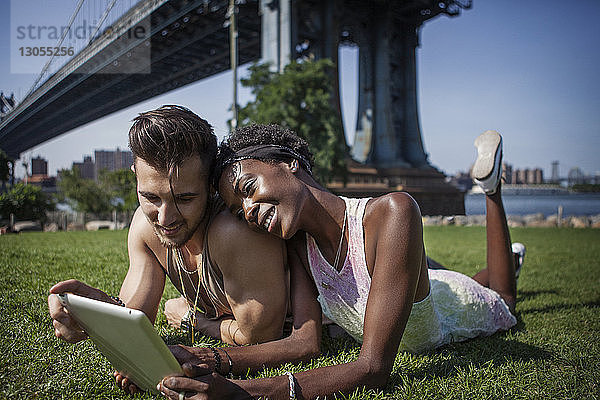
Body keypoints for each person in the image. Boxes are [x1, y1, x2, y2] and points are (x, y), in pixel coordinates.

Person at [157, 126, 526, 399]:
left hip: (448, 314)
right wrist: (209, 358)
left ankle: (491, 190)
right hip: (413, 287)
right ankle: (505, 258)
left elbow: (374, 368)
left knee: (503, 296)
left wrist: (242, 392)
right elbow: (304, 343)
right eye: (240, 212)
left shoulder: (393, 212)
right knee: (450, 278)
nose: (249, 212)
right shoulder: (298, 243)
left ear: (289, 164)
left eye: (248, 189)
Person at [47, 106, 290, 394]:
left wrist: (194, 320)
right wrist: (93, 317)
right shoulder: (145, 227)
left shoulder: (233, 232)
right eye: (150, 197)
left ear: (211, 186)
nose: (165, 218)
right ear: (135, 176)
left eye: (185, 199)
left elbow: (259, 339)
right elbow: (134, 319)